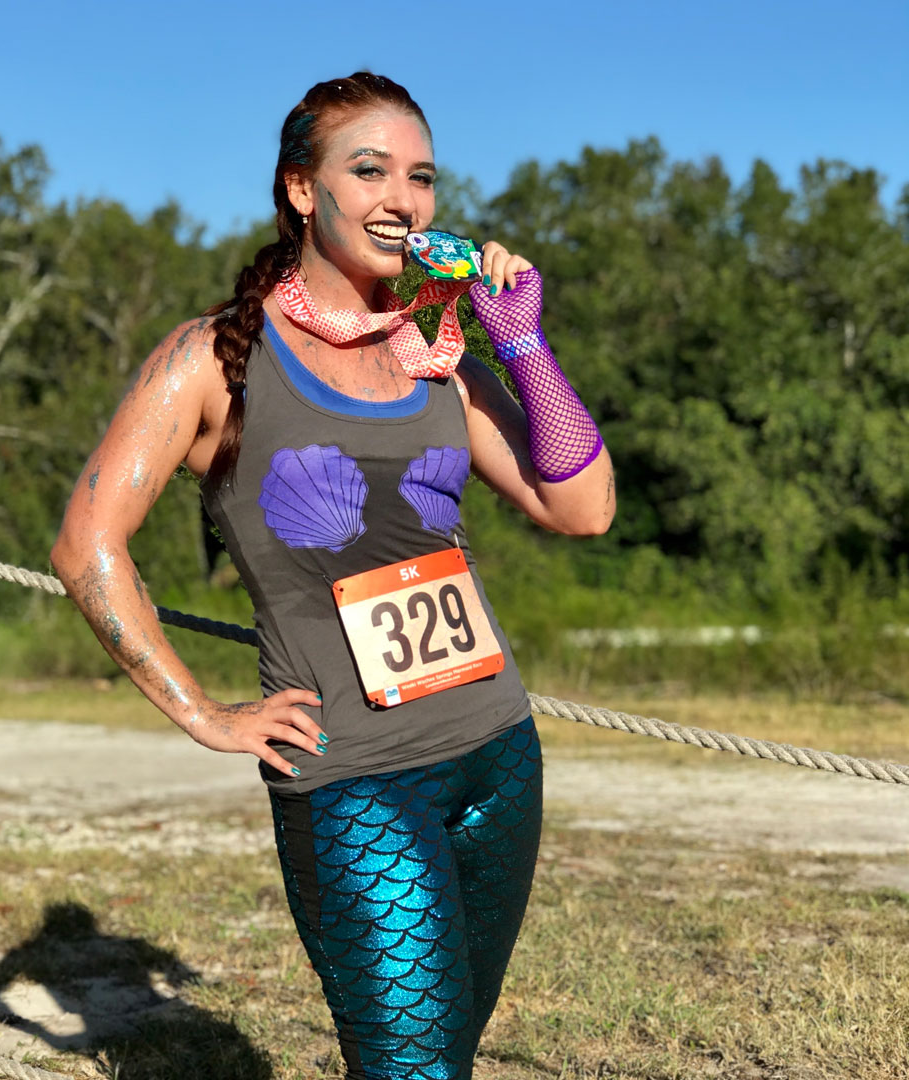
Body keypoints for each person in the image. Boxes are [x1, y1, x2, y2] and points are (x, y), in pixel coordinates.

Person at [52, 72, 614, 1080]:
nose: (405, 199)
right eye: (371, 171)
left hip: (498, 755)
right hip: (354, 782)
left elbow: (584, 507)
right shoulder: (210, 360)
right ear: (303, 190)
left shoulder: (439, 357)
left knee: (442, 1056)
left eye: (423, 177)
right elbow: (87, 542)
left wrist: (521, 341)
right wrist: (203, 713)